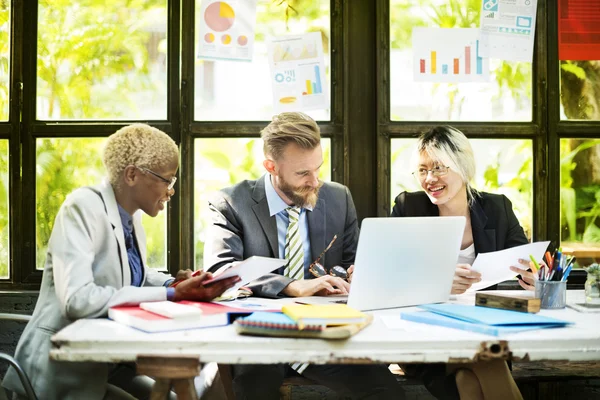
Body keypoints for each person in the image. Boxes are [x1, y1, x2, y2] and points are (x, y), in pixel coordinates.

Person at [2, 124, 239, 400]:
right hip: (66, 370)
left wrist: (172, 282)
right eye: (167, 180)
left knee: (194, 388)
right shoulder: (81, 207)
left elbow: (129, 273)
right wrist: (172, 293)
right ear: (131, 175)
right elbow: (77, 299)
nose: (171, 190)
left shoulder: (130, 215)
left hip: (110, 362)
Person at [205, 112, 405, 400]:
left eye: (318, 169)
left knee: (385, 392)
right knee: (254, 388)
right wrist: (290, 286)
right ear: (271, 166)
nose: (315, 182)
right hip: (262, 337)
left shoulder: (338, 198)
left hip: (327, 334)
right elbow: (222, 269)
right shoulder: (230, 203)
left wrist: (355, 274)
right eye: (303, 173)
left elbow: (352, 262)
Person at [391, 125, 527, 400]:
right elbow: (390, 276)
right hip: (426, 334)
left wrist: (534, 277)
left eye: (439, 168)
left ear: (463, 167)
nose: (429, 178)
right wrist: (438, 281)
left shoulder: (497, 208)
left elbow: (525, 261)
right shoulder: (408, 208)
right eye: (422, 170)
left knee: (469, 380)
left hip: (482, 327)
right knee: (490, 362)